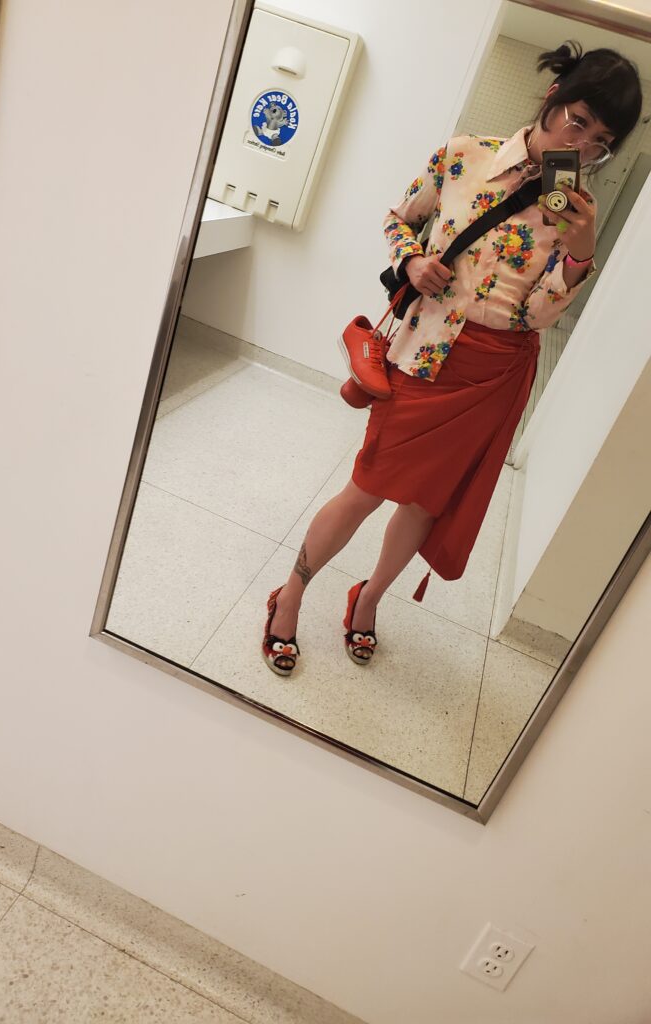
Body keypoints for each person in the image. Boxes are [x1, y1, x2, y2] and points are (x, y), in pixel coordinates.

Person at [261, 41, 642, 676]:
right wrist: (411, 259)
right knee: (367, 488)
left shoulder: (573, 208)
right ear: (553, 98)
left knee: (425, 505)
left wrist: (578, 256)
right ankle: (291, 592)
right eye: (579, 121)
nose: (582, 145)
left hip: (493, 375)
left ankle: (368, 601)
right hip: (424, 357)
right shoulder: (465, 155)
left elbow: (538, 315)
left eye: (600, 141)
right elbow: (398, 218)